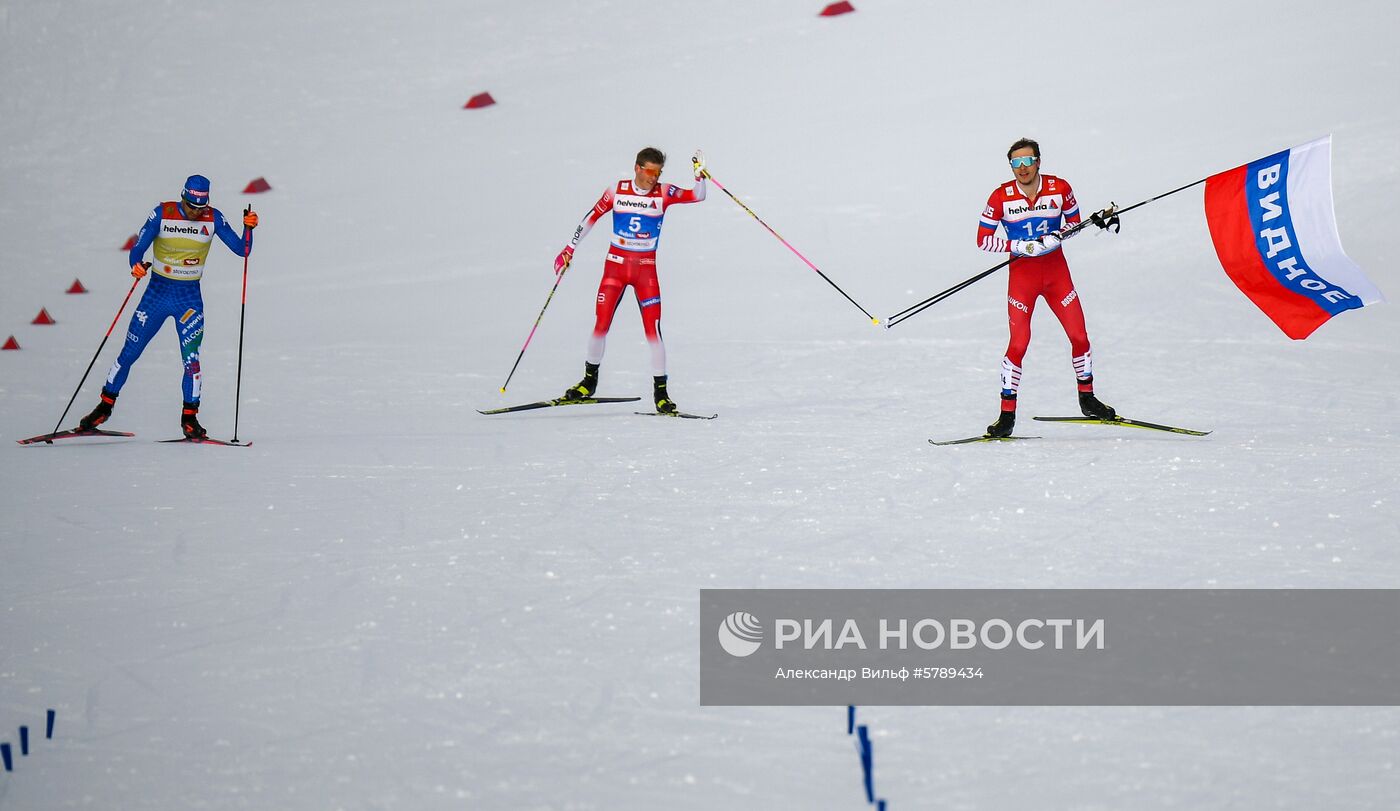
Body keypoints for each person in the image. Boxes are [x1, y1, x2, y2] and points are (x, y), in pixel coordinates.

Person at [78, 175, 258, 438]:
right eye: (192, 206)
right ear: (183, 197)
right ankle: (104, 406)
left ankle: (190, 419)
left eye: (201, 207)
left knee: (191, 361)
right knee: (129, 353)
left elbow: (242, 250)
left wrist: (249, 228)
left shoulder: (214, 218)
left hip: (189, 299)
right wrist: (136, 266)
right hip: (157, 294)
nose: (197, 212)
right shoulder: (162, 213)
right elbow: (137, 248)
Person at [976, 138, 1115, 437]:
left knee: (1079, 335)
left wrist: (1059, 235)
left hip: (1056, 274)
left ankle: (1087, 398)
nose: (1023, 168)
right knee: (1019, 343)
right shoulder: (1000, 196)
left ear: (1039, 161)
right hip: (1022, 277)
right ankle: (1006, 416)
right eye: (1016, 163)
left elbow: (1075, 222)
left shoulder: (1060, 187)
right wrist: (1020, 246)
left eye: (1028, 161)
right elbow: (984, 239)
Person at [552, 147, 706, 414]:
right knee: (600, 324)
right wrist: (569, 249)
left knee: (653, 331)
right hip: (615, 268)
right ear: (636, 168)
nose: (653, 178)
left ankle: (661, 394)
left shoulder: (664, 193)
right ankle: (588, 382)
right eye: (648, 171)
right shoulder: (617, 190)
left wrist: (699, 176)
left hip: (646, 271)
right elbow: (590, 218)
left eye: (658, 172)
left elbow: (697, 196)